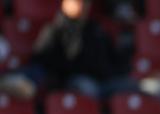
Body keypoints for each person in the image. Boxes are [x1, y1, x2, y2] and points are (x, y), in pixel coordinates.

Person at [0, 0, 135, 100]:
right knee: (85, 87)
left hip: (105, 80)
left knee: (132, 86)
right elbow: (47, 60)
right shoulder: (57, 30)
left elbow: (115, 60)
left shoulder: (96, 29)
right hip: (76, 79)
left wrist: (127, 42)